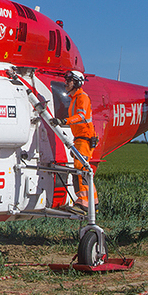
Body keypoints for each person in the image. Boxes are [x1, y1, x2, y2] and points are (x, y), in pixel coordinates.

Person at [52, 71, 99, 213]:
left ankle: (84, 203)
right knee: (84, 169)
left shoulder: (82, 97)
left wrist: (64, 121)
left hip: (84, 139)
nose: (66, 83)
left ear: (77, 82)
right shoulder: (74, 98)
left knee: (81, 169)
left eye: (69, 80)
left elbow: (81, 116)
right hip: (80, 138)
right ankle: (93, 203)